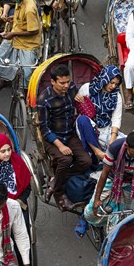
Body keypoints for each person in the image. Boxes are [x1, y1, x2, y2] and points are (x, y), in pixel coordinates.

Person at [37, 64, 92, 211]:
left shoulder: (71, 88)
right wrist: (60, 146)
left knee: (86, 161)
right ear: (53, 82)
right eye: (62, 83)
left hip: (69, 133)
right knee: (65, 159)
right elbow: (44, 128)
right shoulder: (44, 99)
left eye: (68, 82)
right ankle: (60, 194)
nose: (66, 85)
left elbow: (75, 93)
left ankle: (56, 181)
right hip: (53, 138)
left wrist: (76, 96)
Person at [83, 132, 134, 227]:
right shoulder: (114, 148)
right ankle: (84, 219)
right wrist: (97, 199)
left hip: (130, 183)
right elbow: (104, 173)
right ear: (127, 146)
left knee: (122, 215)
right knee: (92, 211)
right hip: (111, 178)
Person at [0, 0, 41, 93]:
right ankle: (7, 79)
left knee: (27, 73)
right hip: (15, 35)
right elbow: (21, 16)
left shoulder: (29, 9)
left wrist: (13, 34)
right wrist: (12, 18)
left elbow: (34, 30)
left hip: (28, 44)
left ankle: (27, 94)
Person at [75, 65, 123, 161]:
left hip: (105, 128)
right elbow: (77, 107)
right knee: (82, 120)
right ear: (105, 78)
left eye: (116, 84)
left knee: (124, 145)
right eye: (111, 82)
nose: (113, 86)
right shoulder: (87, 88)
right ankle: (97, 151)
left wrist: (113, 138)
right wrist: (77, 97)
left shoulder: (116, 96)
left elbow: (116, 118)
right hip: (86, 126)